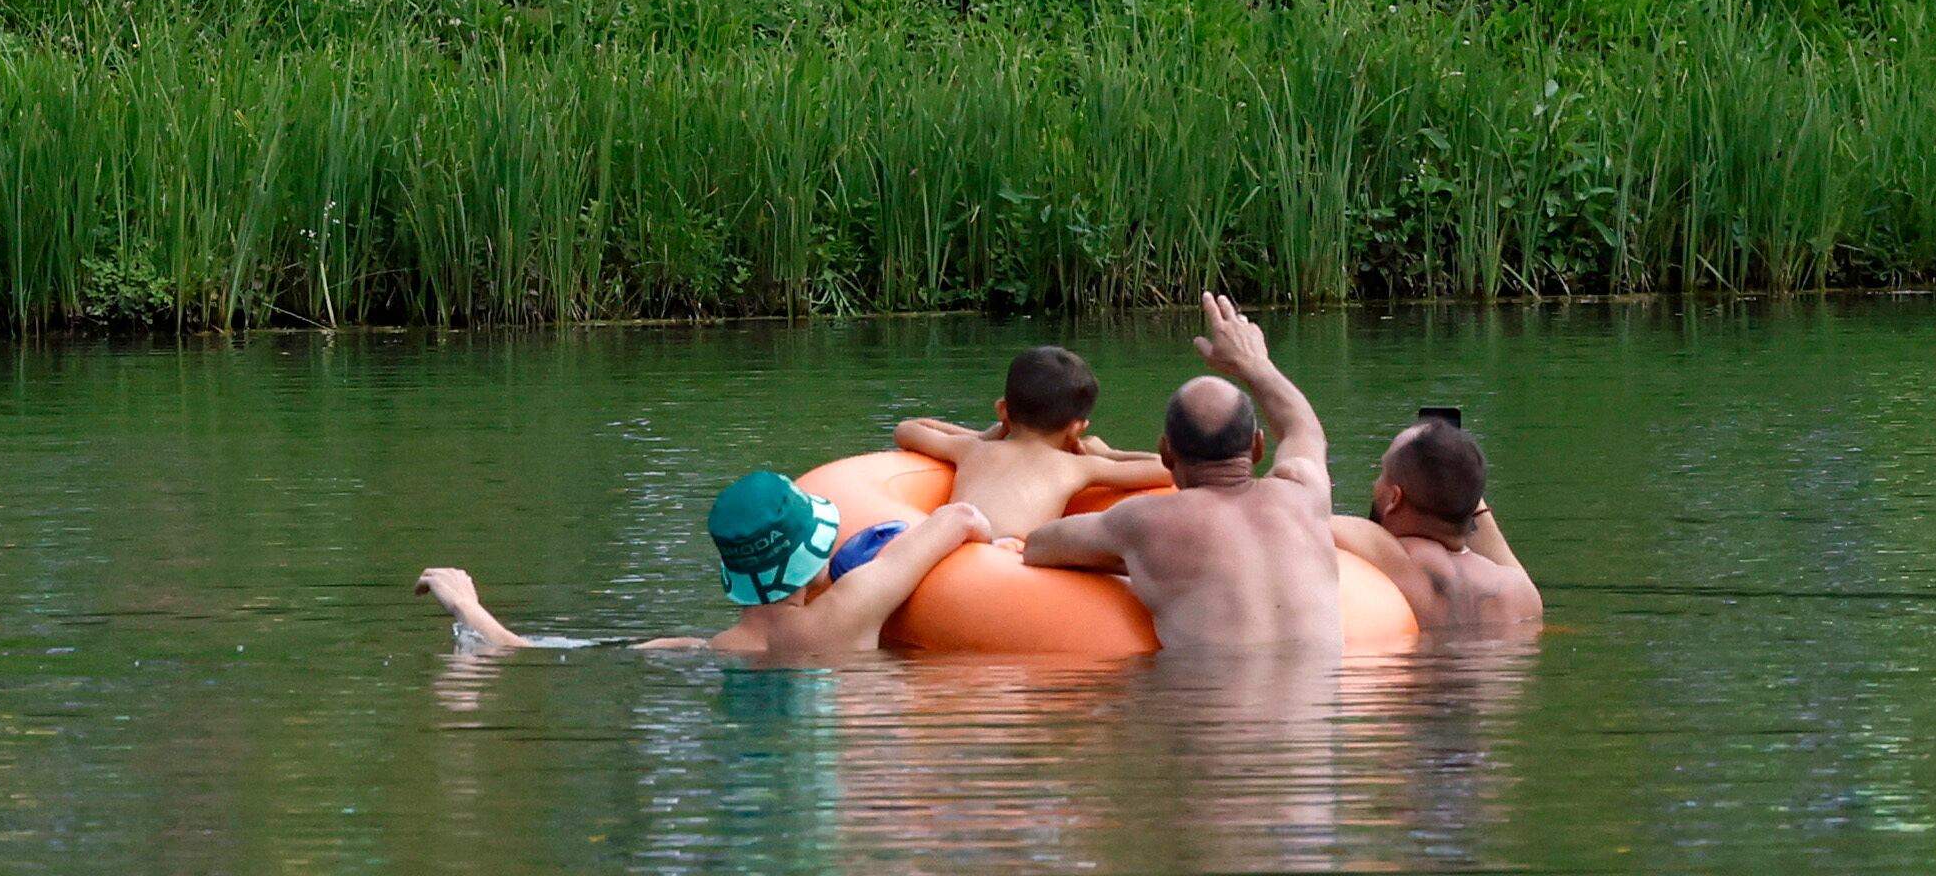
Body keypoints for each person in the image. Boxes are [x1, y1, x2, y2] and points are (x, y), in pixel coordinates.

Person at [1021, 292, 1341, 650]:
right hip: (1316, 705)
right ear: (1257, 447)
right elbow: (1304, 429)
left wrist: (1134, 561)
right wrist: (1255, 363)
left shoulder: (1143, 522)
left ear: (1165, 453)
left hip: (1195, 702)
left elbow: (1037, 546)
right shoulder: (1304, 494)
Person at [413, 473, 996, 660]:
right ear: (817, 559)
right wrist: (1004, 554)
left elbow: (528, 649)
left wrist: (468, 605)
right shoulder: (847, 611)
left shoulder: (702, 649)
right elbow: (962, 515)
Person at [890, 343, 1173, 534]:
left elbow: (908, 429)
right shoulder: (1079, 466)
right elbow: (1169, 469)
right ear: (1077, 428)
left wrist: (985, 435)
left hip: (950, 543)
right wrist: (1110, 455)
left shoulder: (972, 449)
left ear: (1003, 409)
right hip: (1007, 556)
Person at [1331, 414, 1541, 630]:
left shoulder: (1399, 558)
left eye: (1382, 473)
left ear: (1395, 498)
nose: (1376, 483)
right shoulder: (1520, 593)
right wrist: (1461, 486)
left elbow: (1309, 523)